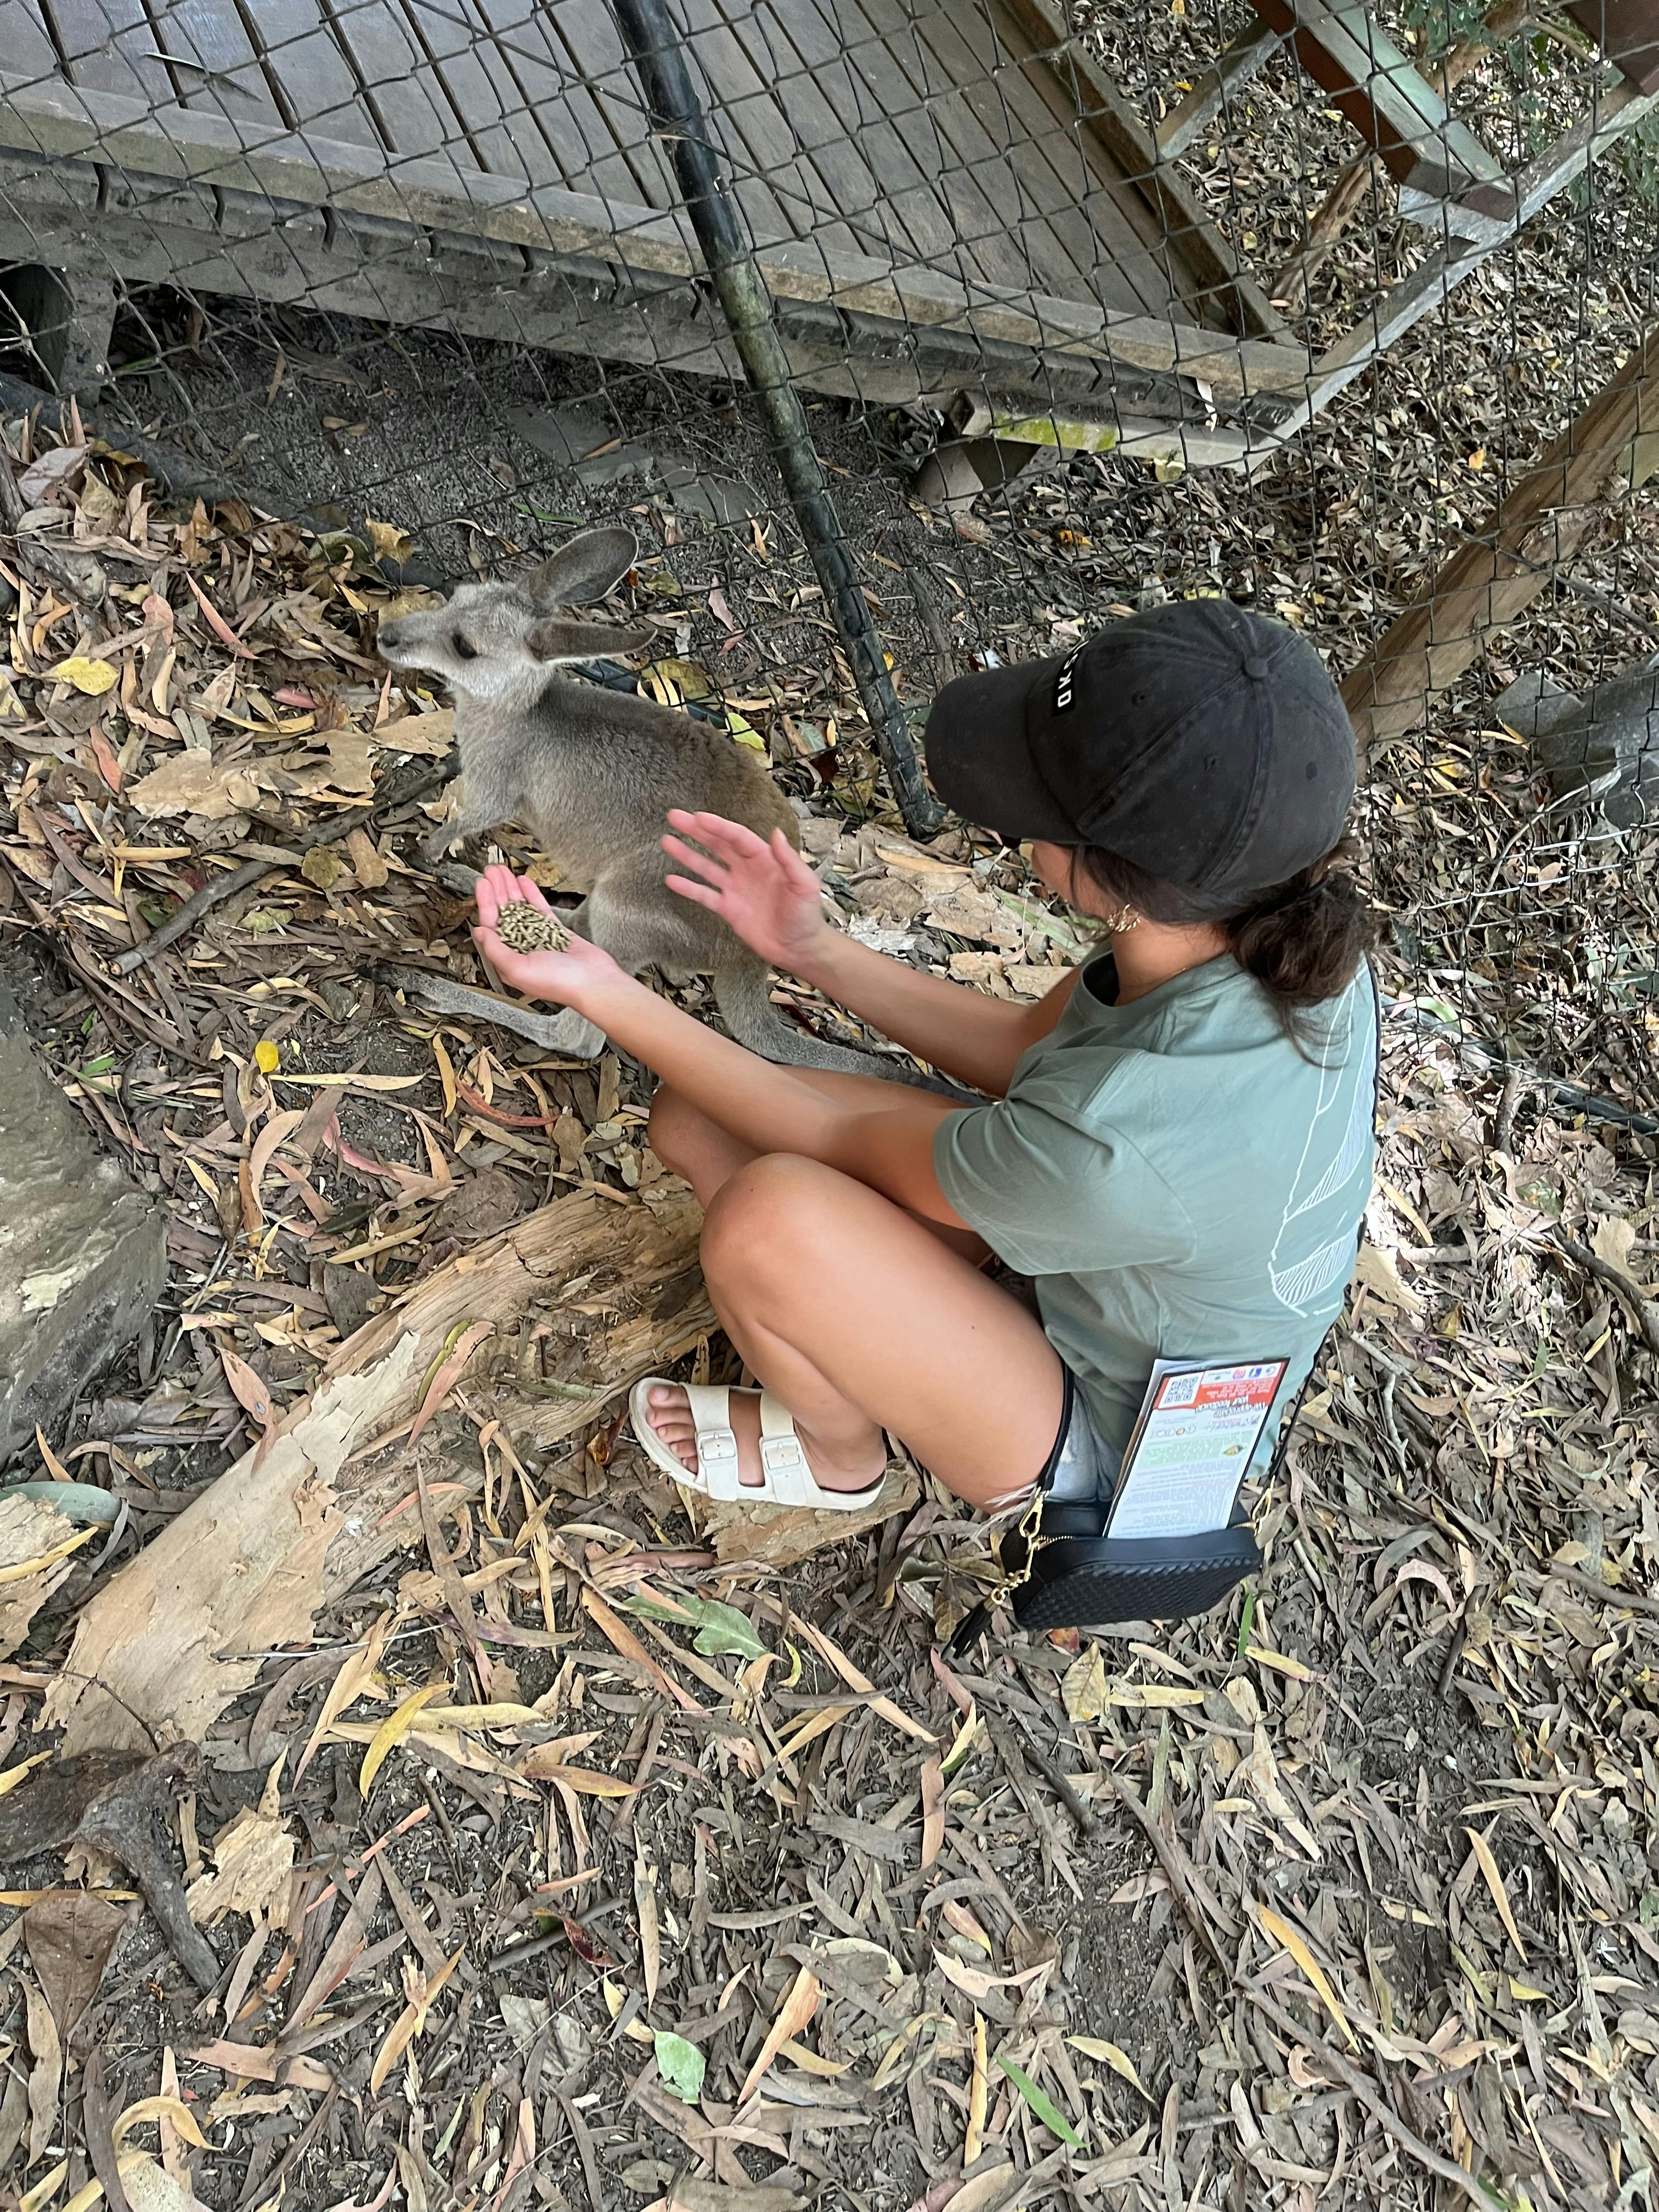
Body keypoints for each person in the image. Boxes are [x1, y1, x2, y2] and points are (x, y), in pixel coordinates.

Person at [469, 599, 1378, 1630]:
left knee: (769, 1216)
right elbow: (1026, 1052)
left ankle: (842, 1456)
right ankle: (890, 1333)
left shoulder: (1116, 1143)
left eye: (1034, 806)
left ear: (1118, 878)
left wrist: (599, 987)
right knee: (697, 1122)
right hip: (1089, 1258)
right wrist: (809, 947)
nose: (1013, 823)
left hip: (1117, 1446)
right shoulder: (1262, 932)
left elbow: (839, 1141)